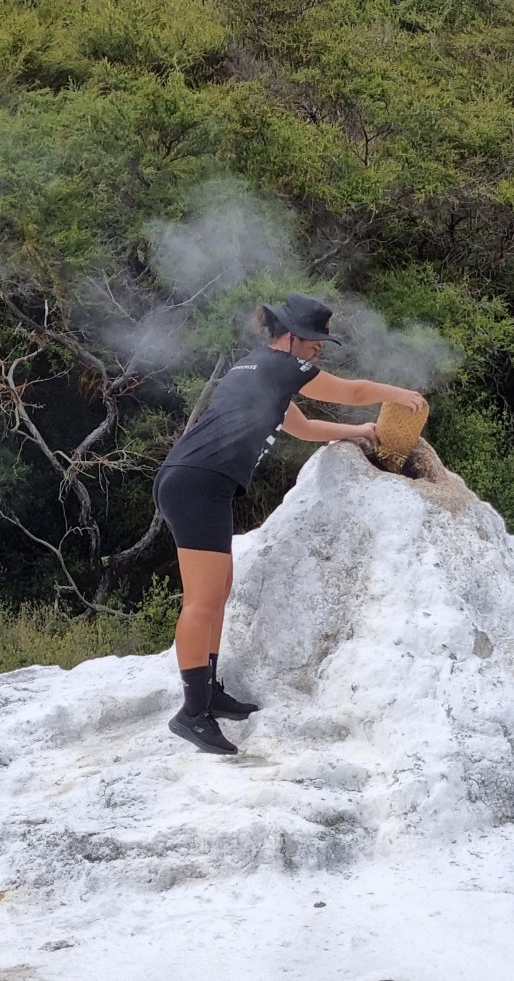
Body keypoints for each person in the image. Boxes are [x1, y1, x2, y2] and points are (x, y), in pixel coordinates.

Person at [153, 292, 428, 755]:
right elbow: (354, 393)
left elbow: (299, 427)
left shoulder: (255, 367)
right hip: (199, 483)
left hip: (198, 481)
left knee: (217, 592)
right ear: (293, 338)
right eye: (314, 342)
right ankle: (192, 713)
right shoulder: (282, 366)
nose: (318, 351)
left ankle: (209, 693)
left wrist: (358, 432)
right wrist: (396, 395)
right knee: (200, 601)